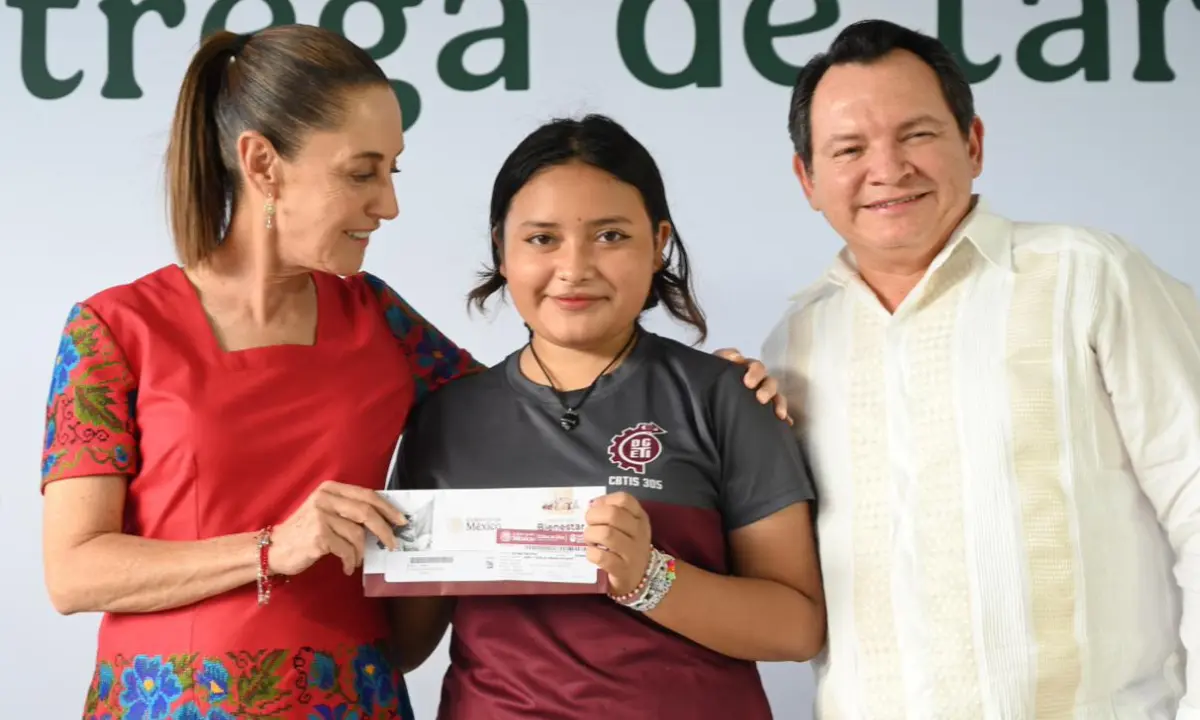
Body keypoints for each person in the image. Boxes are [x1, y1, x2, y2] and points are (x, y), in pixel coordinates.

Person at [39, 25, 789, 720]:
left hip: (355, 695)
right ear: (263, 165)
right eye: (363, 174)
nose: (389, 205)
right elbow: (74, 572)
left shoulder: (380, 321)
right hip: (169, 700)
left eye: (392, 171)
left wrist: (713, 385)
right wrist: (272, 547)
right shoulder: (112, 329)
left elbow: (530, 400)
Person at [762, 18, 1200, 719]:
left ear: (973, 143)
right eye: (849, 149)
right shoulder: (793, 345)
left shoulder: (1087, 277)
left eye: (917, 134)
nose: (888, 169)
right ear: (808, 178)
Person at [386, 114, 826, 720]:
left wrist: (649, 577)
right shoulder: (446, 420)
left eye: (611, 235)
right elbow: (403, 647)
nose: (575, 267)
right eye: (542, 239)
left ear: (659, 243)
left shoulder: (727, 396)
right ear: (501, 249)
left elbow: (796, 626)